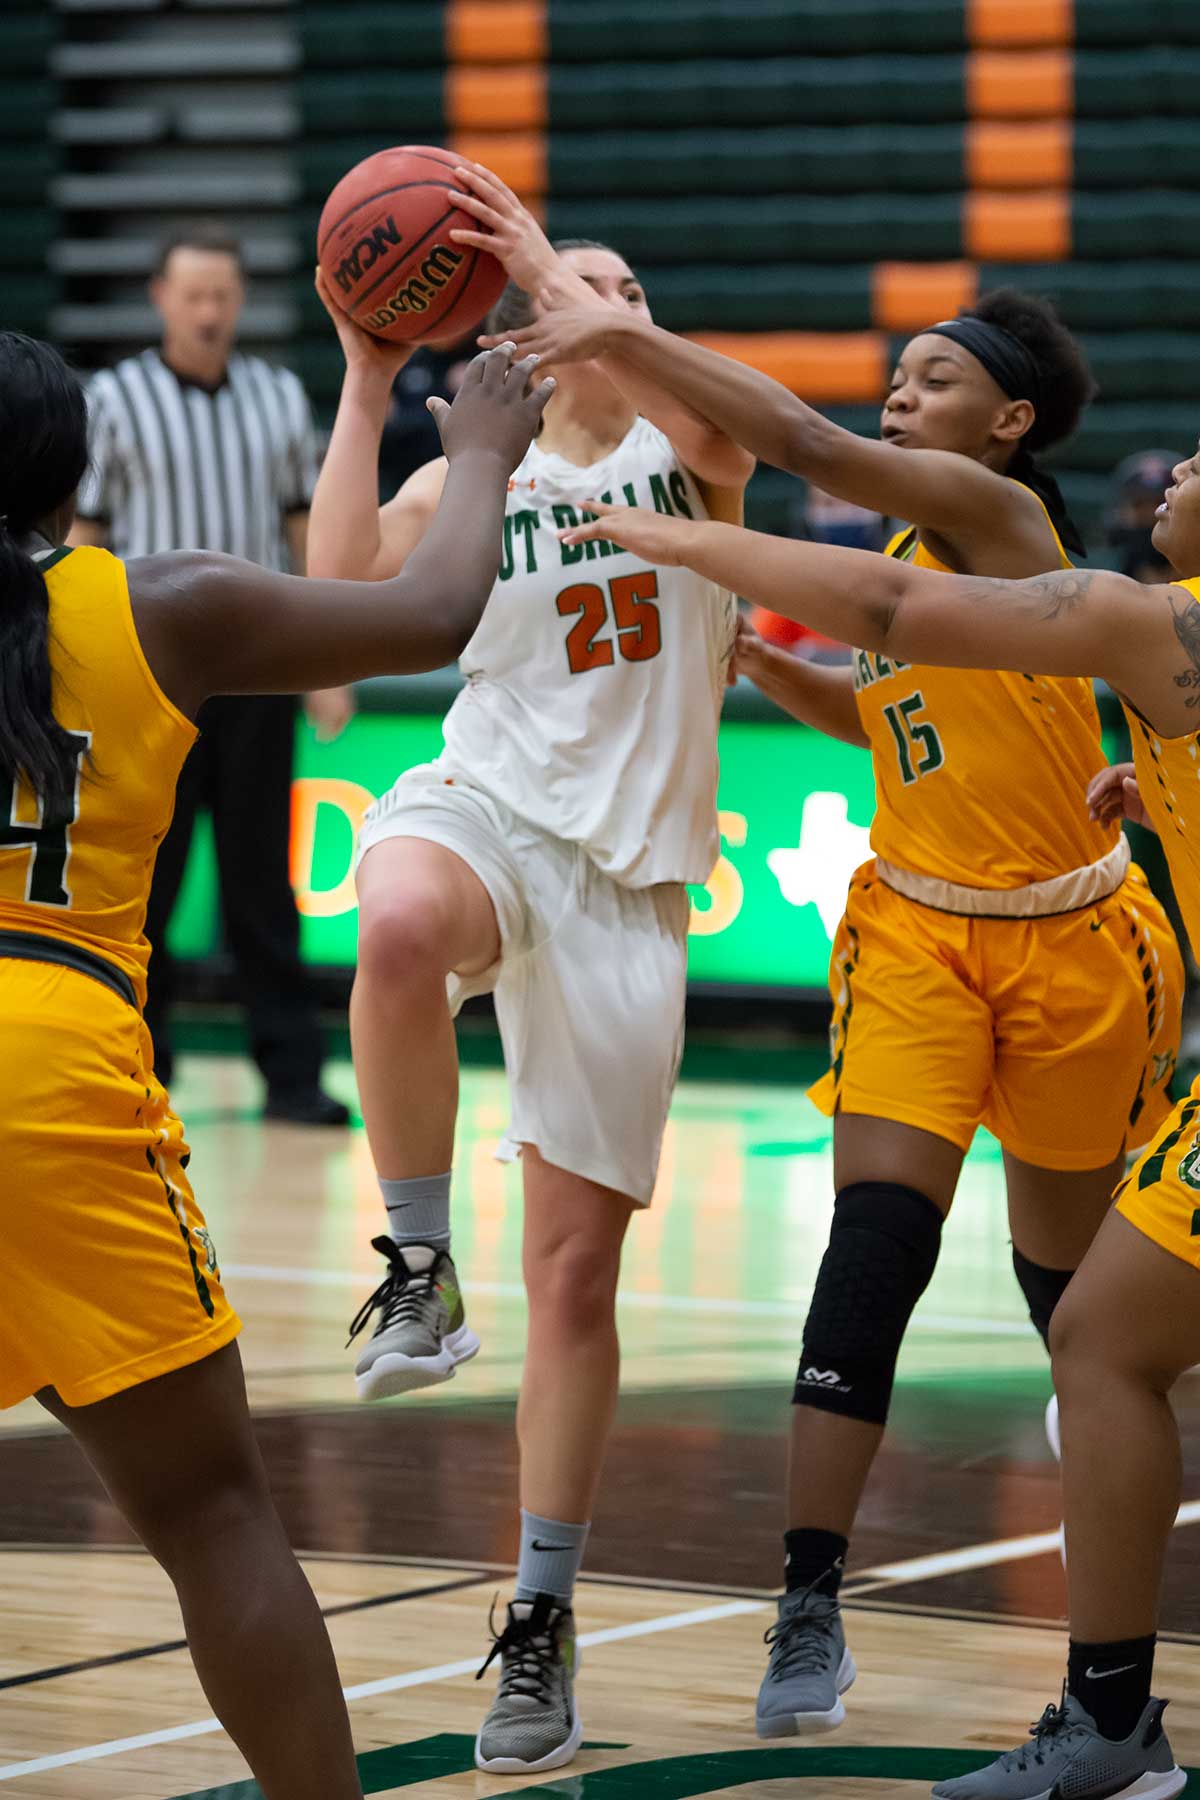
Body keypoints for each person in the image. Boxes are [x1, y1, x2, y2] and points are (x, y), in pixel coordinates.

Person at [499, 291, 1185, 1737]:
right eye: (897, 377)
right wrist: (764, 669)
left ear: (1008, 424)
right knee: (874, 1251)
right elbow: (893, 709)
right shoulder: (913, 547)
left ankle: (1112, 1597)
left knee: (1075, 1309)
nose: (899, 395)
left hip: (1073, 946)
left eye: (934, 379)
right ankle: (807, 1602)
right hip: (920, 936)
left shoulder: (1000, 520)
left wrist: (614, 343)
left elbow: (801, 441)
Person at [0, 328, 551, 1798]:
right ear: (72, 480)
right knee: (212, 1516)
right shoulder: (158, 602)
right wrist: (480, 449)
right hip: (50, 1059)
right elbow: (431, 609)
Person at [307, 160, 753, 1774]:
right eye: (582, 288)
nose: (603, 305)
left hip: (627, 886)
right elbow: (339, 604)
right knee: (395, 922)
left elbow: (712, 420)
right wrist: (369, 380)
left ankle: (541, 1624)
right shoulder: (476, 473)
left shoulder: (689, 454)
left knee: (575, 1282)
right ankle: (419, 1267)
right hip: (489, 806)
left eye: (627, 292)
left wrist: (556, 270)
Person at [69, 226, 354, 1123]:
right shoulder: (113, 399)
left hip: (257, 671)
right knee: (143, 880)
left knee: (263, 878)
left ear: (241, 301)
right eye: (193, 295)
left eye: (222, 295)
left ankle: (292, 1076)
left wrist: (329, 663)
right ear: (160, 298)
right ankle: (134, 1066)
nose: (208, 311)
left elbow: (305, 529)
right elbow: (84, 536)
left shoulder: (277, 396)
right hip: (148, 673)